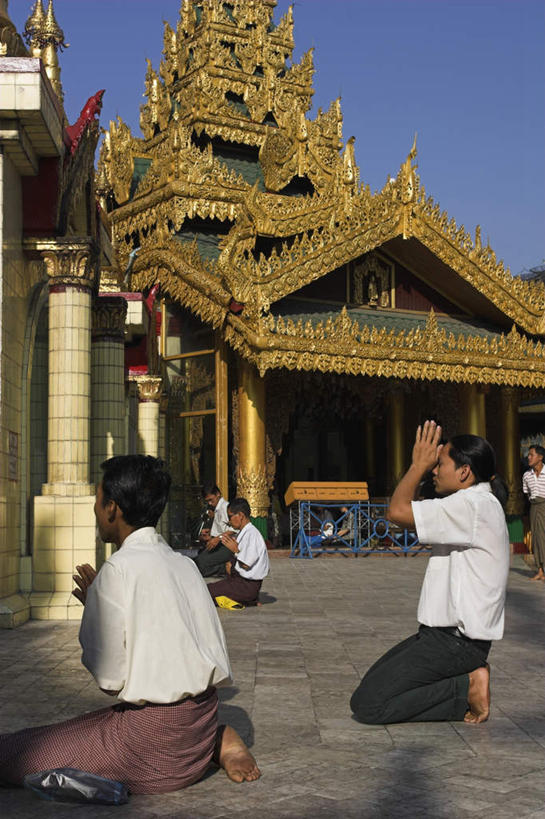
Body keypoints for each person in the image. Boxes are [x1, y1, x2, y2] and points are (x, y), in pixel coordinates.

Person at [0, 456, 260, 793]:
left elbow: (111, 679)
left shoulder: (118, 570)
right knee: (77, 728)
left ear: (112, 509)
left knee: (17, 754)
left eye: (97, 502)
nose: (95, 512)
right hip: (199, 725)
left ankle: (214, 741)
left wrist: (98, 609)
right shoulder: (183, 565)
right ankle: (216, 740)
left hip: (151, 746)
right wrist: (103, 605)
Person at [350, 421, 509, 725]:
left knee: (371, 706)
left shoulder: (472, 505)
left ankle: (467, 688)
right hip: (441, 638)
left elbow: (396, 512)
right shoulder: (473, 504)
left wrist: (417, 466)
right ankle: (467, 682)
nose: (435, 471)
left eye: (440, 464)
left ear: (464, 472)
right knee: (364, 695)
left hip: (457, 643)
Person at [207, 498, 269, 607]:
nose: (229, 521)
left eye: (230, 517)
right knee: (209, 589)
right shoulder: (243, 533)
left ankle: (246, 599)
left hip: (245, 586)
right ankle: (248, 600)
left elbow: (245, 564)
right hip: (238, 583)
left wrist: (235, 551)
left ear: (240, 515)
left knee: (206, 592)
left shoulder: (252, 534)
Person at [194, 483, 235, 578]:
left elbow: (234, 529)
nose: (209, 503)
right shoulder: (217, 509)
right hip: (219, 544)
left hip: (228, 546)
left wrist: (217, 538)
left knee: (200, 566)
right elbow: (221, 529)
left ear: (218, 494)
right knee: (196, 562)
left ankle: (225, 567)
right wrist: (209, 535)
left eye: (211, 500)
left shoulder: (226, 507)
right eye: (207, 501)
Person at [522, 444, 545, 581]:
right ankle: (540, 569)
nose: (528, 457)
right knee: (536, 538)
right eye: (528, 455)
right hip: (534, 507)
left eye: (531, 455)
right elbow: (527, 494)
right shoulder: (526, 475)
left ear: (540, 457)